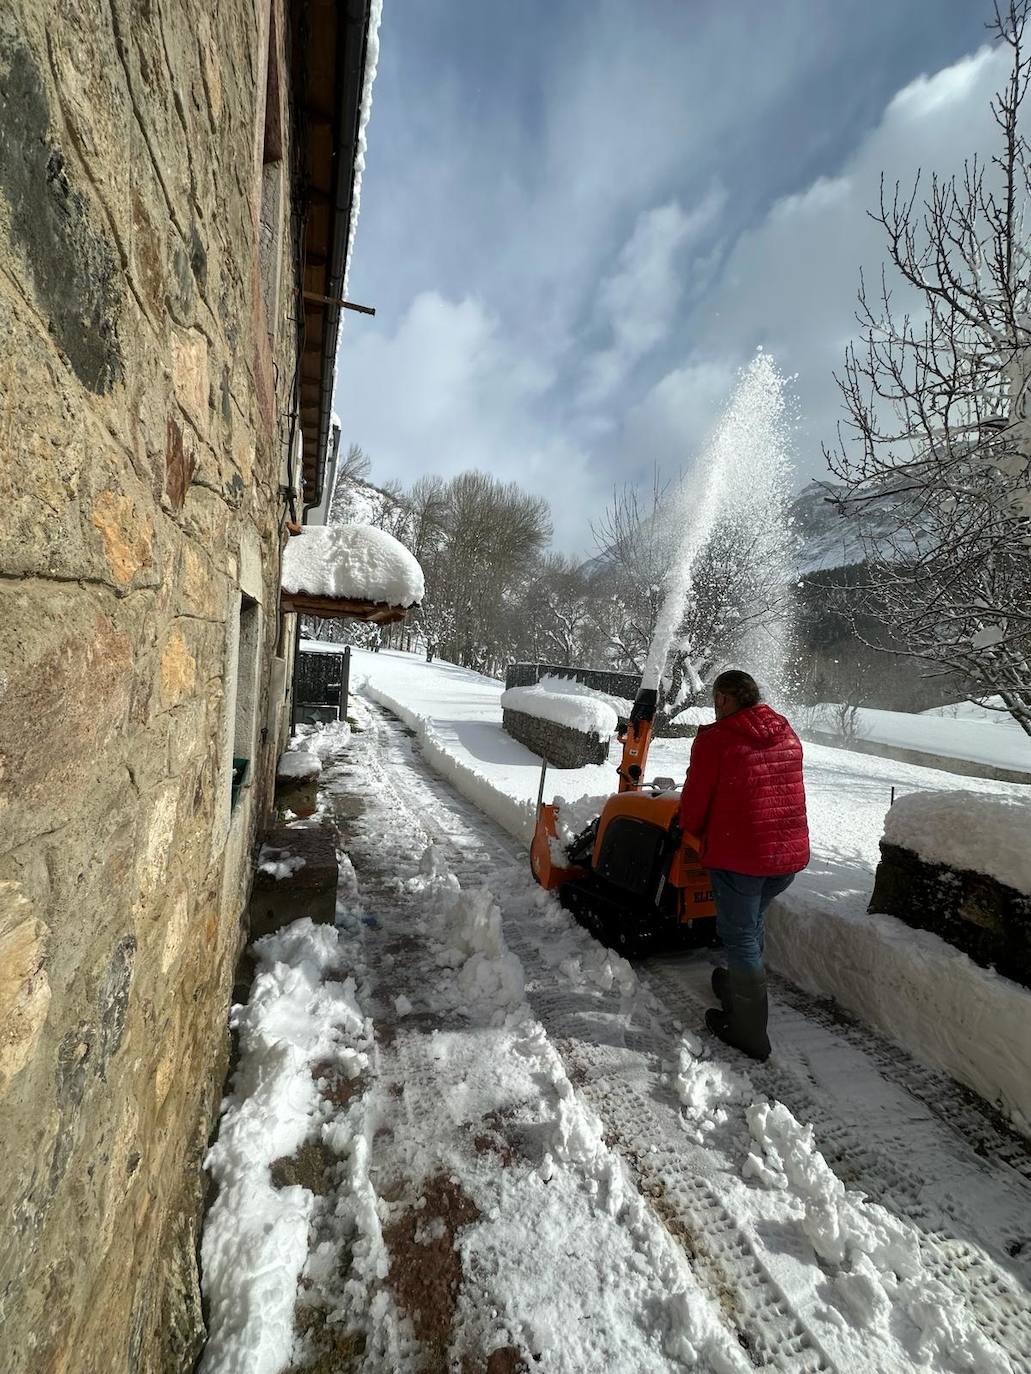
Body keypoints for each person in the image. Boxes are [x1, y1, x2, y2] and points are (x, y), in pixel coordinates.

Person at [676, 669, 809, 1061]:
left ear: (724, 700)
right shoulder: (784, 730)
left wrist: (686, 825)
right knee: (751, 925)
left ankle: (749, 1031)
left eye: (715, 700)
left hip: (741, 856)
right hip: (785, 858)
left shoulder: (717, 740)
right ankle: (737, 985)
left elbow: (696, 802)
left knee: (741, 936)